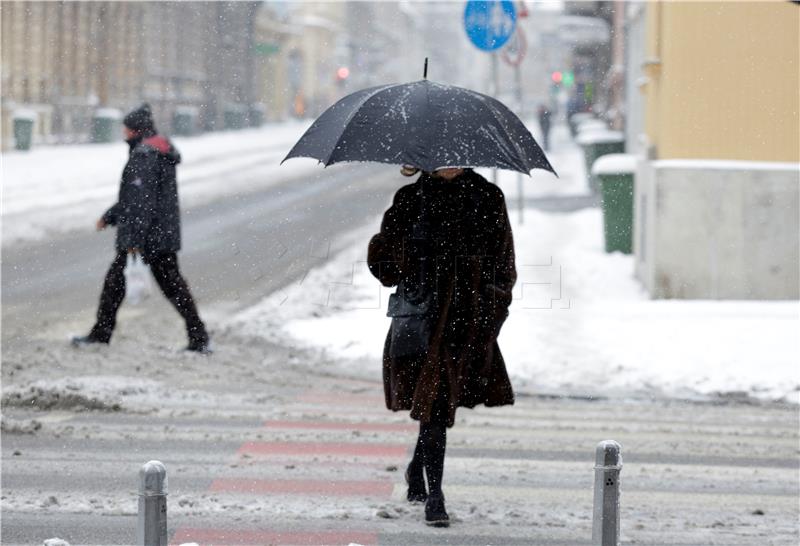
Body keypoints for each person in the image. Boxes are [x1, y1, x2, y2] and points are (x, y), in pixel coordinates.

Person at [367, 165, 516, 527]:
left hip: (468, 323)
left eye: (456, 157)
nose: (449, 164)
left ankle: (418, 468)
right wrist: (400, 249)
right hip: (422, 320)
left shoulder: (487, 198)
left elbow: (504, 266)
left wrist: (490, 315)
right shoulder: (410, 199)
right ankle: (436, 496)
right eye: (441, 157)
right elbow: (384, 267)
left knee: (438, 405)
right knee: (434, 404)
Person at [72, 103, 210, 353]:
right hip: (159, 234)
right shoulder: (157, 151)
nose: (124, 134)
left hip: (146, 237)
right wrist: (110, 215)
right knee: (172, 287)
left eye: (126, 129)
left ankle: (101, 334)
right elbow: (136, 198)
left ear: (136, 130)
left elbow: (140, 203)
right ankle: (198, 335)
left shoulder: (144, 156)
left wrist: (133, 242)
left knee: (116, 284)